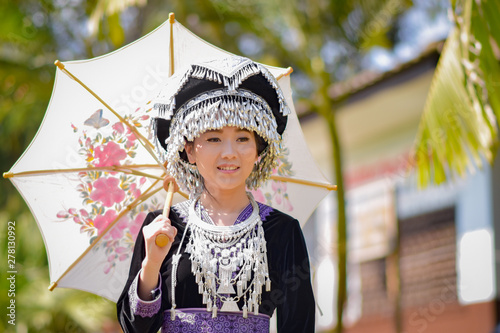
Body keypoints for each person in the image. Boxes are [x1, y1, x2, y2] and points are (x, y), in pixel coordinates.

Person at [117, 56, 315, 332]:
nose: (229, 153)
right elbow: (135, 328)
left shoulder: (283, 231)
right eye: (213, 138)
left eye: (243, 138)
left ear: (258, 151)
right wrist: (151, 264)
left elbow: (299, 326)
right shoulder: (162, 227)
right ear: (188, 149)